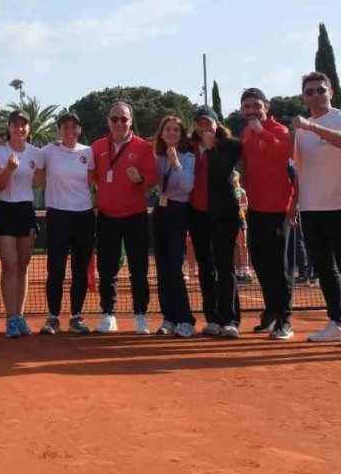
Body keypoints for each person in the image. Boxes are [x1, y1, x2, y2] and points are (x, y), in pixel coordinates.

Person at [294, 72, 341, 348]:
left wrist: (312, 128)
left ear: (331, 93)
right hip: (310, 207)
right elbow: (296, 168)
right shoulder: (300, 129)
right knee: (324, 269)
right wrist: (293, 205)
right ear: (304, 97)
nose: (315, 95)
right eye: (310, 92)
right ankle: (337, 322)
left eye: (320, 90)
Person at [89, 101, 157, 334]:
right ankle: (108, 314)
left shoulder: (143, 147)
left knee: (138, 268)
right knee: (107, 268)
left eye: (124, 119)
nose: (119, 123)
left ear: (131, 120)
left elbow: (152, 179)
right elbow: (92, 175)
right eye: (114, 119)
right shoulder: (98, 146)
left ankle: (140, 315)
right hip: (107, 216)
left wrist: (139, 179)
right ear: (108, 121)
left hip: (135, 216)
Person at [239, 88, 296, 340]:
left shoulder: (279, 130)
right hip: (255, 208)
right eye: (247, 106)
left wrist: (263, 133)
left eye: (256, 105)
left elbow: (286, 153)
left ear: (266, 106)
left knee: (280, 267)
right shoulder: (244, 133)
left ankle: (285, 320)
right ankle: (271, 309)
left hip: (279, 210)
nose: (252, 111)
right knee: (260, 263)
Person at [188, 106, 244, 338]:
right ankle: (211, 318)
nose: (203, 128)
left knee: (225, 265)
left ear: (216, 124)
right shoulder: (189, 147)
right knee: (206, 267)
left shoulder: (230, 145)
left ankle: (230, 319)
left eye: (207, 123)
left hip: (224, 214)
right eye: (199, 123)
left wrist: (211, 148)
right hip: (197, 214)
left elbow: (221, 171)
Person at [40, 112, 95, 335]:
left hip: (84, 216)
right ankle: (53, 317)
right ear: (59, 130)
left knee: (80, 270)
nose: (70, 130)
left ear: (80, 129)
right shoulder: (48, 151)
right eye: (65, 126)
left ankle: (76, 317)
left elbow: (97, 179)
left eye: (74, 126)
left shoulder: (88, 152)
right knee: (56, 269)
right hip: (57, 215)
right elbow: (30, 160)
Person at [0, 110, 45, 338]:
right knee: (10, 265)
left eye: (23, 125)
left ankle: (19, 316)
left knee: (23, 266)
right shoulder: (0, 152)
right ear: (9, 128)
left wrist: (41, 168)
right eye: (15, 125)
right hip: (3, 209)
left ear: (28, 128)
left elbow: (40, 183)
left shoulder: (37, 153)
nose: (19, 129)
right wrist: (10, 169)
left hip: (25, 210)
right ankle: (10, 318)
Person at [150, 115, 196, 338]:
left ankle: (186, 319)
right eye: (167, 129)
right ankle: (168, 318)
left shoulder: (188, 157)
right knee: (161, 267)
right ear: (161, 133)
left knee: (174, 267)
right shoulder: (157, 157)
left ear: (182, 134)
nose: (171, 133)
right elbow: (150, 181)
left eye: (176, 130)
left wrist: (176, 162)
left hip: (179, 211)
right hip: (160, 211)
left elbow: (187, 187)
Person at [233, 172, 254, 282]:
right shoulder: (229, 191)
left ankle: (246, 270)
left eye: (235, 177)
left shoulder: (242, 192)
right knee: (236, 246)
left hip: (241, 220)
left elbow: (245, 207)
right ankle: (238, 271)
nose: (234, 179)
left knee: (244, 244)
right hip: (232, 220)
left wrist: (240, 211)